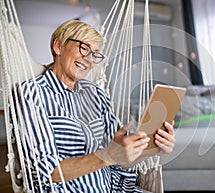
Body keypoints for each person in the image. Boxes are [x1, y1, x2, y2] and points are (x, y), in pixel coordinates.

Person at [19, 20, 175, 193]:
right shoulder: (33, 94)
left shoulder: (96, 93)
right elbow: (44, 172)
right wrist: (107, 156)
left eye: (95, 54)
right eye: (84, 48)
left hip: (117, 188)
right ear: (58, 46)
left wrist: (152, 148)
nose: (88, 59)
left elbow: (119, 158)